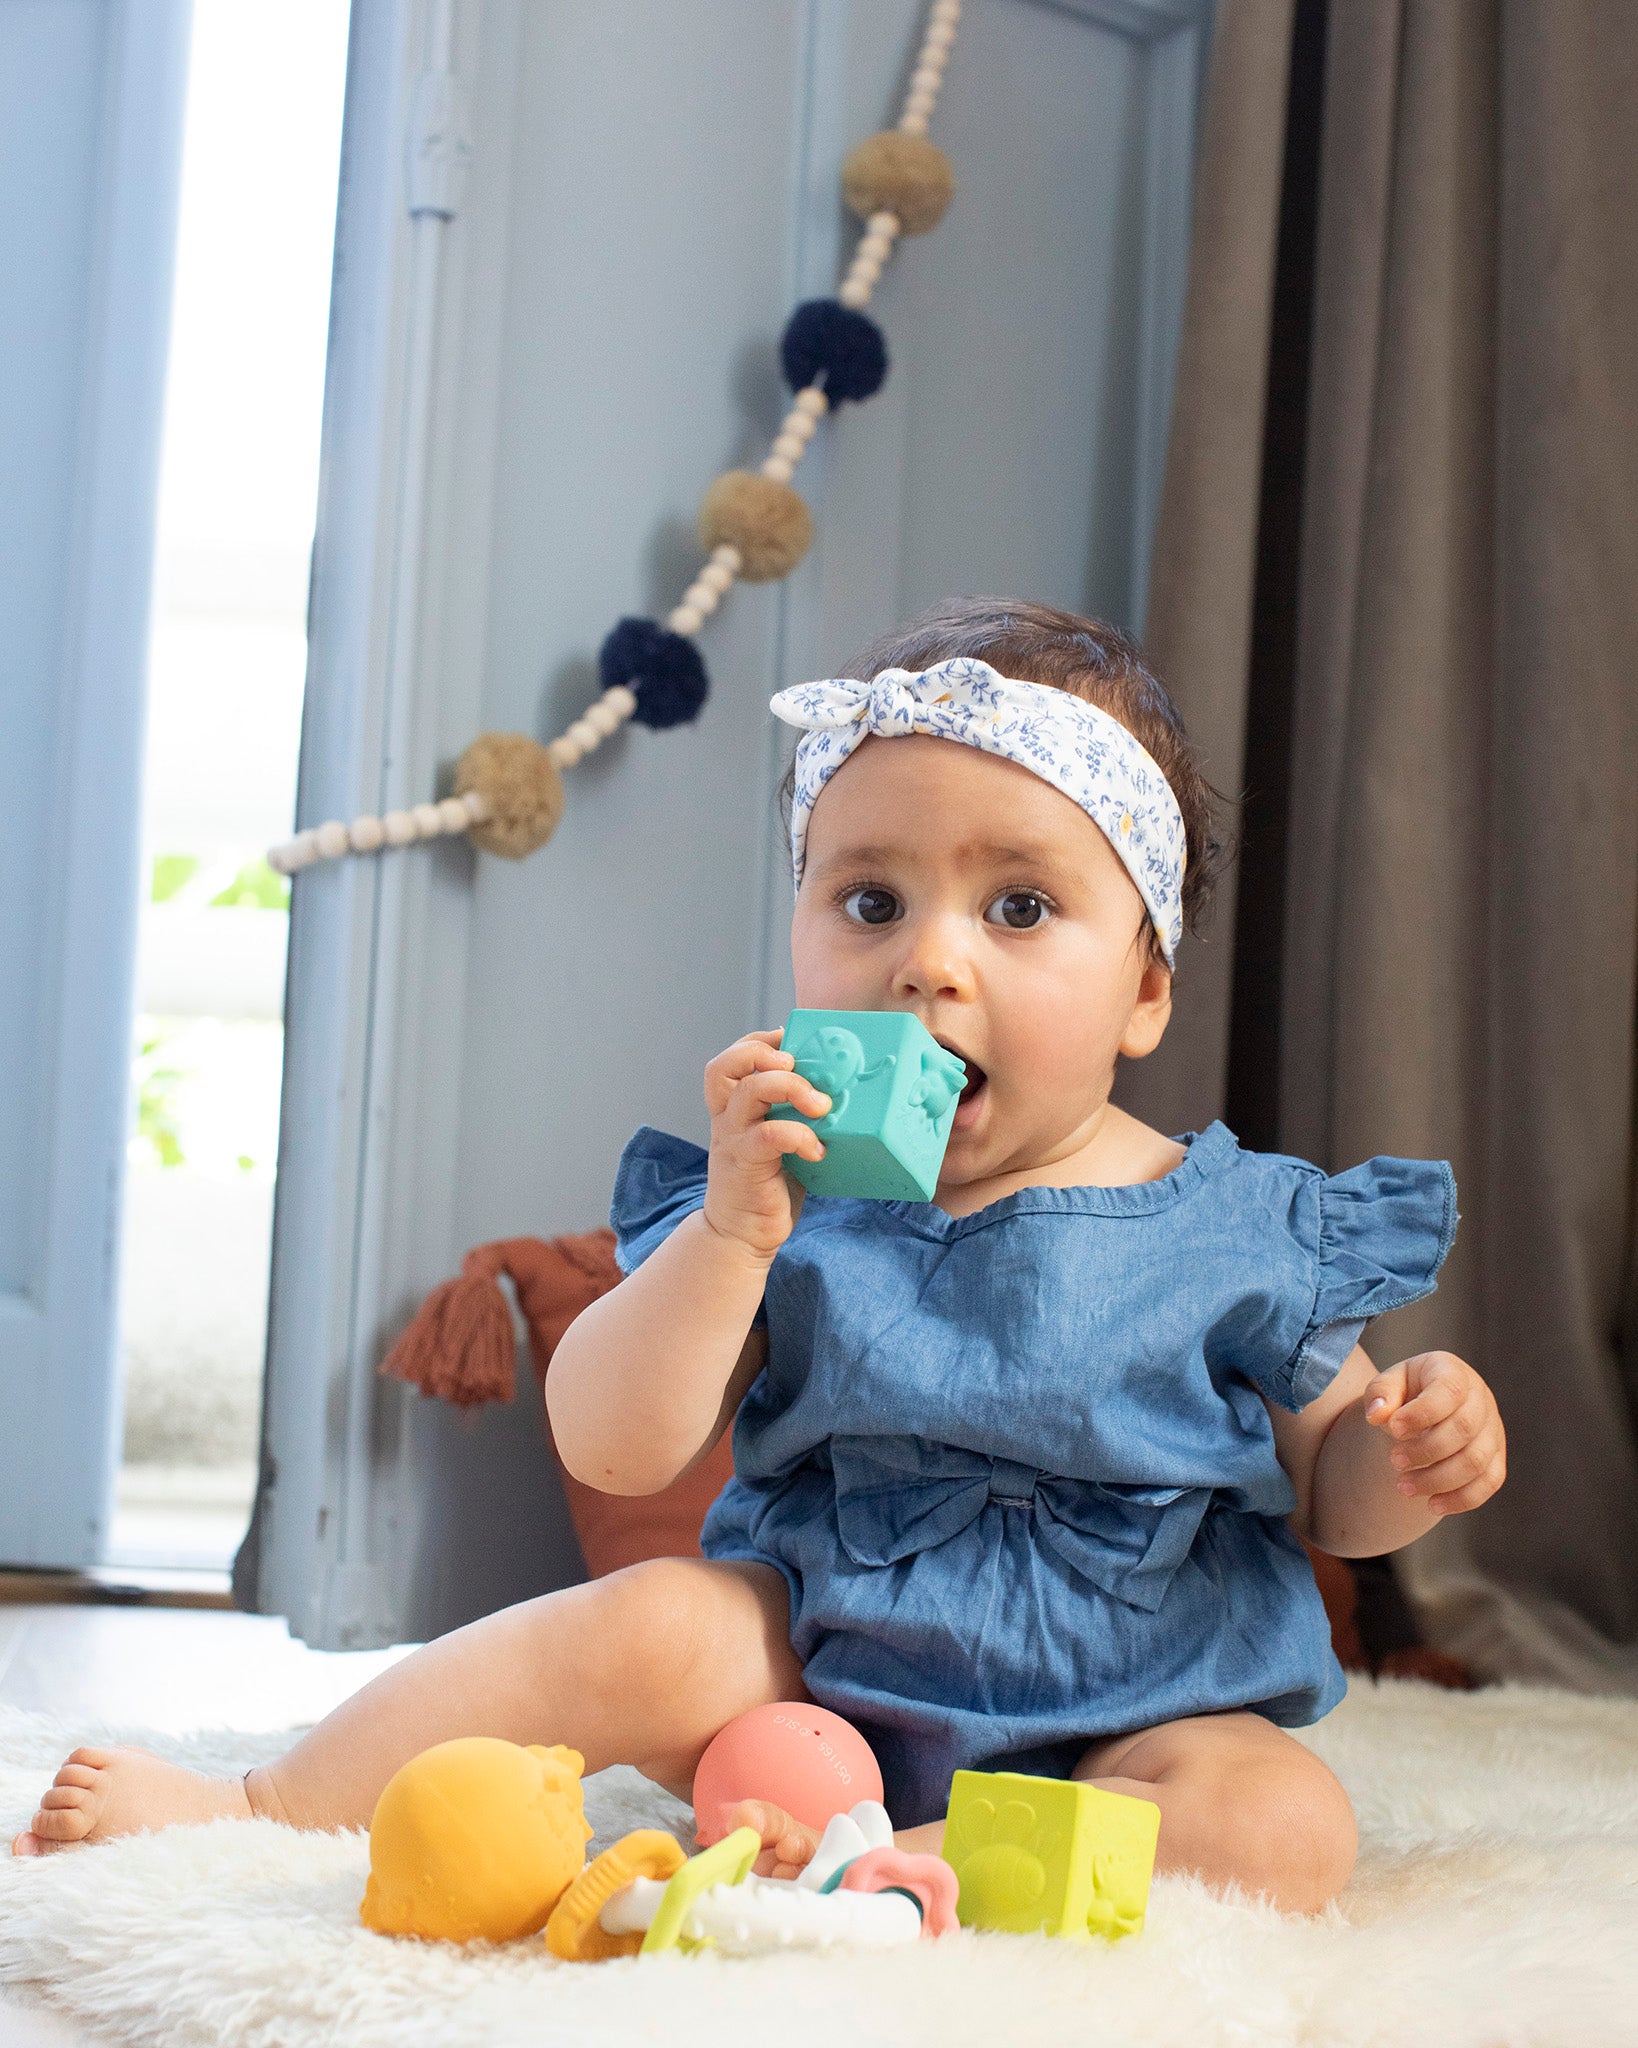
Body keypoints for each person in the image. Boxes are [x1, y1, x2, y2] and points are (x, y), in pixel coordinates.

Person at [13, 599, 1506, 1915]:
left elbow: (1335, 1493)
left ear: (1143, 989)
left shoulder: (1239, 1221)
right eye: (869, 901)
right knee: (657, 1620)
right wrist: (731, 1239)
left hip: (1144, 1711)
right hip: (820, 1673)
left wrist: (1405, 1450)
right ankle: (264, 1805)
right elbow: (615, 1443)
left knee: (1283, 1824)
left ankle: (922, 1860)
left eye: (1020, 908)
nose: (929, 959)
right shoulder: (784, 1196)